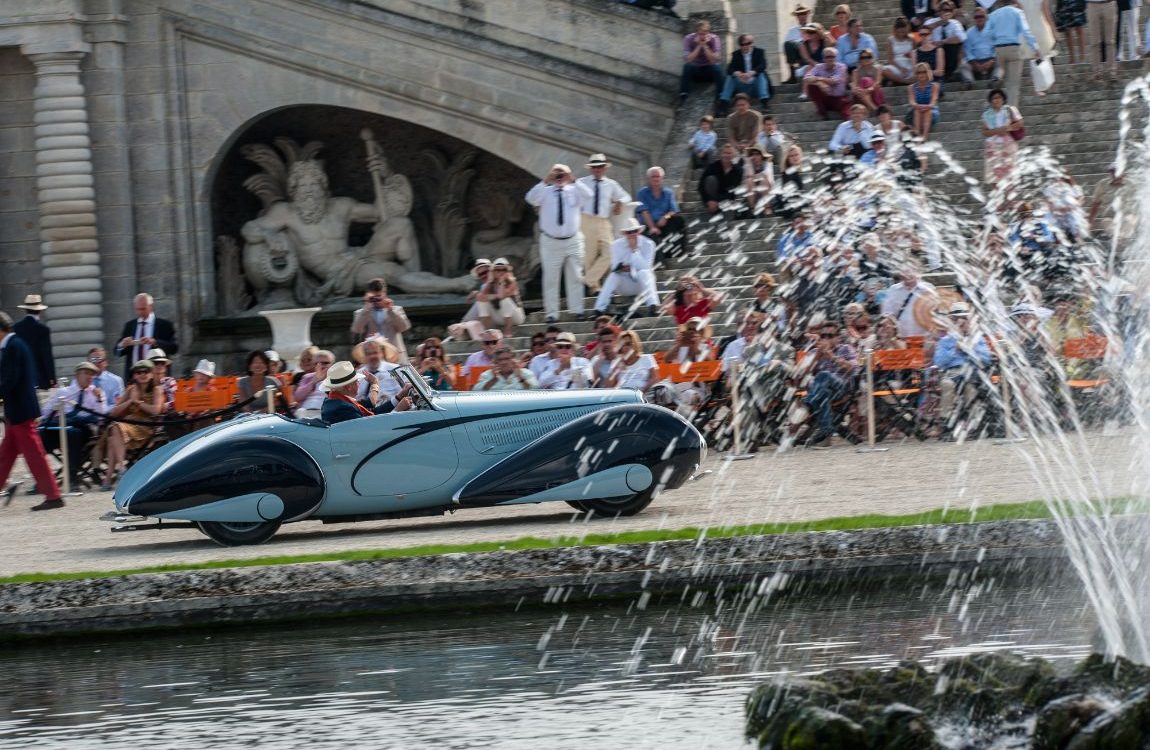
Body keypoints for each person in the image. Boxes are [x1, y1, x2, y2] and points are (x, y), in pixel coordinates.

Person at [0, 312, 63, 510]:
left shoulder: (13, 347)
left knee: (34, 455)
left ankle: (53, 495)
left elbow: (10, 379)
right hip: (17, 410)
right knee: (6, 455)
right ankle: (53, 494)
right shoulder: (14, 345)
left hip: (21, 411)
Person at [526, 163, 592, 323]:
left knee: (576, 276)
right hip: (551, 241)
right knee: (551, 278)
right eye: (557, 174)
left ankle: (577, 311)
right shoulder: (545, 192)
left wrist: (573, 179)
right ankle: (552, 313)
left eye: (562, 174)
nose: (560, 177)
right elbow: (530, 198)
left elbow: (589, 195)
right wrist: (546, 180)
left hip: (573, 240)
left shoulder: (575, 190)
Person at [38, 361, 108, 489]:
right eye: (86, 373)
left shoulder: (96, 393)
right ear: (77, 375)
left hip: (82, 431)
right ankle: (43, 479)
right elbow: (45, 413)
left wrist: (99, 399)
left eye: (92, 374)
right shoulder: (63, 392)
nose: (90, 377)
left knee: (73, 432)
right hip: (60, 429)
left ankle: (72, 477)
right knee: (40, 435)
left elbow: (101, 417)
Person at [102, 359, 164, 491]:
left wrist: (138, 403)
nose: (142, 374)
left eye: (146, 371)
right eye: (139, 372)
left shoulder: (157, 390)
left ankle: (110, 476)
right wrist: (130, 401)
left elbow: (155, 410)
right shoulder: (130, 389)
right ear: (134, 375)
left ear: (151, 374)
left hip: (145, 425)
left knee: (113, 434)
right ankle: (121, 469)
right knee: (114, 431)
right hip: (128, 424)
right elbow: (114, 412)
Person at [932, 302, 993, 435]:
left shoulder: (978, 339)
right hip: (953, 372)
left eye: (965, 319)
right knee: (947, 385)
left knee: (970, 387)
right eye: (957, 319)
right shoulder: (945, 341)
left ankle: (974, 425)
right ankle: (946, 424)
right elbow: (939, 362)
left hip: (973, 372)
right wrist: (955, 350)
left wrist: (971, 349)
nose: (961, 322)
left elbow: (987, 359)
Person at [577, 154, 632, 294]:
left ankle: (587, 280)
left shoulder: (611, 184)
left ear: (604, 168)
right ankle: (594, 287)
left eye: (600, 167)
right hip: (586, 219)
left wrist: (620, 202)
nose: (597, 169)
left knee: (611, 252)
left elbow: (626, 196)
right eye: (594, 167)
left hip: (603, 220)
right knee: (589, 255)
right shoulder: (581, 182)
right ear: (590, 169)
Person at [801, 321, 858, 445]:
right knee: (823, 393)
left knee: (823, 375)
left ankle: (808, 403)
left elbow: (852, 368)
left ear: (838, 337)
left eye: (830, 336)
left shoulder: (846, 349)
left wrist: (831, 356)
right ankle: (826, 428)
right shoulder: (815, 352)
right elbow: (802, 375)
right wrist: (817, 356)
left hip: (841, 388)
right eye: (823, 336)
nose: (826, 339)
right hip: (822, 390)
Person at [593, 219, 660, 318]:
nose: (632, 234)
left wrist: (634, 250)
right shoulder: (616, 245)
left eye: (635, 231)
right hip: (624, 284)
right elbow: (615, 266)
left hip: (642, 285)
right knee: (613, 275)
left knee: (644, 273)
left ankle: (653, 306)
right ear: (624, 233)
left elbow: (646, 267)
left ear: (639, 231)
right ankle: (599, 309)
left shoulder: (649, 244)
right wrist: (622, 268)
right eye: (629, 232)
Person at [320, 361, 412, 425]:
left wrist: (399, 397)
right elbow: (370, 429)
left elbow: (371, 412)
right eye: (356, 381)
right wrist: (398, 410)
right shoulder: (343, 407)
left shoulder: (337, 400)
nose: (359, 383)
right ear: (348, 387)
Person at [986, 0, 1041, 105]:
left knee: (1005, 78)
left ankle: (1000, 100)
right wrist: (1035, 48)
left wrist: (994, 44)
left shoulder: (993, 14)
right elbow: (1026, 31)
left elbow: (987, 33)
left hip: (999, 48)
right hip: (1013, 48)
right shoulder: (1017, 12)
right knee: (1013, 84)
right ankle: (1012, 113)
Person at [114, 292, 179, 377]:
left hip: (157, 377)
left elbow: (174, 348)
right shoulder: (130, 325)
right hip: (134, 377)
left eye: (143, 309)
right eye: (138, 309)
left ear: (151, 306)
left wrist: (155, 342)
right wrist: (122, 344)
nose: (140, 312)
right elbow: (116, 351)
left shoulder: (164, 325)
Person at [349, 277, 411, 362]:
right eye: (374, 297)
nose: (376, 300)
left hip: (395, 355)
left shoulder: (396, 309)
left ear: (384, 294)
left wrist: (390, 310)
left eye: (379, 296)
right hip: (373, 357)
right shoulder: (361, 312)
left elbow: (404, 327)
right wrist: (367, 308)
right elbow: (357, 329)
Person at [636, 166, 686, 257]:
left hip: (664, 223)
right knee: (652, 234)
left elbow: (674, 210)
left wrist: (665, 217)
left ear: (662, 178)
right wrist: (652, 227)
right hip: (648, 225)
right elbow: (644, 212)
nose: (656, 179)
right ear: (648, 179)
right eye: (653, 176)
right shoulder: (642, 193)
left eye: (658, 176)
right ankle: (660, 262)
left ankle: (680, 253)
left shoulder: (668, 192)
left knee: (679, 220)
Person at [472, 258, 526, 338]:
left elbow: (502, 296)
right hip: (500, 318)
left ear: (507, 271)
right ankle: (487, 332)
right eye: (497, 270)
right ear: (493, 271)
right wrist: (490, 282)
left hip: (517, 318)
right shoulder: (491, 283)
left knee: (505, 300)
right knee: (481, 301)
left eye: (503, 269)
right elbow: (480, 297)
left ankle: (508, 331)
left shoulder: (512, 282)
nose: (501, 272)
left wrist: (501, 281)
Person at [981, 88, 1024, 182]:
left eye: (999, 97)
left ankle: (1009, 196)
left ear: (1003, 99)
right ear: (990, 101)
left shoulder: (1010, 109)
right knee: (993, 176)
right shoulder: (986, 114)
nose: (996, 100)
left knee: (1010, 174)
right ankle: (997, 195)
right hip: (992, 147)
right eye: (994, 98)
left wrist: (1007, 129)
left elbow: (1020, 123)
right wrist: (998, 131)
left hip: (1008, 145)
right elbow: (984, 132)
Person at [720, 34, 771, 112]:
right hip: (742, 86)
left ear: (752, 43)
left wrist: (752, 73)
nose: (746, 46)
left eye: (748, 43)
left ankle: (765, 103)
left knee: (761, 74)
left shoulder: (759, 52)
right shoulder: (736, 54)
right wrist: (737, 74)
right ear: (740, 45)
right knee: (730, 77)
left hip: (755, 85)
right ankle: (724, 103)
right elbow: (729, 69)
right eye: (743, 44)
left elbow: (763, 65)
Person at [13, 294, 54, 390]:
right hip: (40, 378)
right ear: (39, 310)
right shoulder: (43, 329)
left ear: (25, 309)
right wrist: (52, 379)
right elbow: (46, 356)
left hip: (21, 377)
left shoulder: (16, 328)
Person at [595, 330, 660, 391]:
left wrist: (641, 392)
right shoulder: (617, 362)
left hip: (644, 396)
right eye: (623, 345)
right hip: (624, 397)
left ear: (635, 344)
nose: (626, 347)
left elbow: (655, 378)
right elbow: (608, 386)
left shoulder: (646, 358)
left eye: (629, 344)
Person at [880, 269, 938, 337]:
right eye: (905, 271)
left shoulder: (928, 289)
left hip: (924, 336)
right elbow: (887, 313)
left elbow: (935, 312)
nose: (908, 275)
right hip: (901, 337)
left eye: (911, 271)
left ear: (918, 273)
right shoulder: (893, 290)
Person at [679, 19, 724, 104]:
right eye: (700, 34)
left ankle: (721, 95)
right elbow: (688, 59)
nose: (703, 36)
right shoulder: (688, 38)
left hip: (709, 70)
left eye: (705, 33)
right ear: (696, 32)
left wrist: (705, 45)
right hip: (695, 71)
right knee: (687, 67)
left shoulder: (714, 38)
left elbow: (713, 60)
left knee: (717, 68)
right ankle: (683, 94)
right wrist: (699, 45)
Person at [803, 47, 850, 119]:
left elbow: (833, 81)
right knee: (812, 86)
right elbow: (806, 78)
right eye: (828, 57)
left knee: (846, 106)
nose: (830, 59)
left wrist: (818, 79)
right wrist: (819, 83)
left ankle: (848, 121)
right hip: (825, 98)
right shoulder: (818, 67)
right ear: (824, 58)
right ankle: (822, 112)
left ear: (836, 58)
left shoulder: (841, 67)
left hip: (838, 98)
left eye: (833, 56)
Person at [698, 144, 744, 215]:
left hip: (728, 201)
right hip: (711, 199)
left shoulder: (738, 171)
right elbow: (701, 186)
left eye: (729, 153)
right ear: (720, 154)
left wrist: (718, 202)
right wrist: (709, 200)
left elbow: (734, 191)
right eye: (724, 153)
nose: (727, 155)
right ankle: (712, 209)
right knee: (711, 179)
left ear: (733, 155)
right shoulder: (712, 167)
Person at [926, 1, 967, 79]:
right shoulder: (931, 21)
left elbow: (961, 37)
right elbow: (924, 30)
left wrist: (943, 41)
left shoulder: (955, 23)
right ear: (940, 11)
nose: (947, 12)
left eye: (950, 10)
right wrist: (942, 21)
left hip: (949, 54)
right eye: (945, 10)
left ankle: (950, 73)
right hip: (934, 52)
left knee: (956, 45)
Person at [354, 336, 403, 403]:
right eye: (369, 353)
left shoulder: (394, 369)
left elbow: (403, 391)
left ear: (382, 353)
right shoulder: (359, 373)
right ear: (365, 355)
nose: (372, 356)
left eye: (375, 352)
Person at [960, 8, 999, 86]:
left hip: (991, 60)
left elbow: (997, 47)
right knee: (963, 65)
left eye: (981, 16)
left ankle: (995, 80)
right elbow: (968, 50)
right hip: (975, 62)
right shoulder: (969, 32)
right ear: (974, 18)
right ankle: (969, 82)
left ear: (986, 17)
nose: (979, 19)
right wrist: (975, 64)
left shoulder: (993, 30)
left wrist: (991, 61)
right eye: (976, 17)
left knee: (1001, 62)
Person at [292, 350, 334, 420]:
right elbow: (297, 397)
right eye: (317, 363)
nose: (320, 366)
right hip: (304, 412)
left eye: (325, 363)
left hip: (326, 412)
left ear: (332, 364)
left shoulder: (337, 377)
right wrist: (313, 382)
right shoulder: (307, 377)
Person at [473, 347, 538, 391]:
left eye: (507, 359)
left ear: (514, 360)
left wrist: (520, 378)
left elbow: (536, 389)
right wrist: (493, 380)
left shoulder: (526, 373)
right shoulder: (487, 375)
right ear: (496, 362)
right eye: (500, 360)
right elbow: (476, 391)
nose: (504, 362)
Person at [907, 63, 941, 140]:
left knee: (928, 111)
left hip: (931, 111)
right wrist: (920, 107)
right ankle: (917, 134)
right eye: (919, 72)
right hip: (916, 111)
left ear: (928, 72)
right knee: (916, 111)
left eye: (924, 72)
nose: (921, 74)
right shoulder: (911, 87)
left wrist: (926, 107)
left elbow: (933, 101)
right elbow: (912, 102)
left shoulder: (935, 86)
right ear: (916, 74)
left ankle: (925, 136)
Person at [783, 5, 816, 82]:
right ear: (797, 16)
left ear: (807, 14)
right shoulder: (792, 30)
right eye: (799, 14)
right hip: (797, 54)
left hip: (811, 50)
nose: (802, 16)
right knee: (788, 44)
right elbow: (786, 46)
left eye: (804, 14)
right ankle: (792, 74)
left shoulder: (813, 27)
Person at [741, 145, 774, 213]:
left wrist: (754, 176)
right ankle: (752, 209)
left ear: (762, 155)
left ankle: (767, 208)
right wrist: (749, 164)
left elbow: (769, 179)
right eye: (752, 154)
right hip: (752, 194)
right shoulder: (748, 165)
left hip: (767, 192)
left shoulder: (768, 164)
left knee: (763, 180)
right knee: (749, 180)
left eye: (757, 154)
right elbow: (745, 181)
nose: (754, 157)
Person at [884, 17, 917, 84]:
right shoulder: (890, 40)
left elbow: (916, 55)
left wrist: (911, 55)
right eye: (899, 31)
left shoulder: (912, 39)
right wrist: (900, 68)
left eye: (903, 31)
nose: (901, 33)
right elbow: (890, 60)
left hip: (909, 65)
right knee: (884, 70)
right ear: (895, 30)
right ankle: (904, 81)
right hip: (896, 66)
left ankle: (896, 81)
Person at [147, 347, 177, 412]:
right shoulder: (144, 381)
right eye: (156, 363)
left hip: (166, 419)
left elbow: (174, 402)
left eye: (162, 363)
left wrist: (159, 406)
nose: (159, 365)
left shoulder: (169, 381)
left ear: (165, 366)